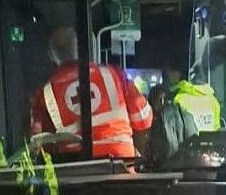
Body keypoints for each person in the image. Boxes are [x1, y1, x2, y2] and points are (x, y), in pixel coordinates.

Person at [30, 27, 153, 158]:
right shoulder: (114, 74)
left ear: (52, 57)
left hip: (77, 170)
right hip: (120, 163)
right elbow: (143, 118)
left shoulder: (45, 93)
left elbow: (40, 143)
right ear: (84, 49)